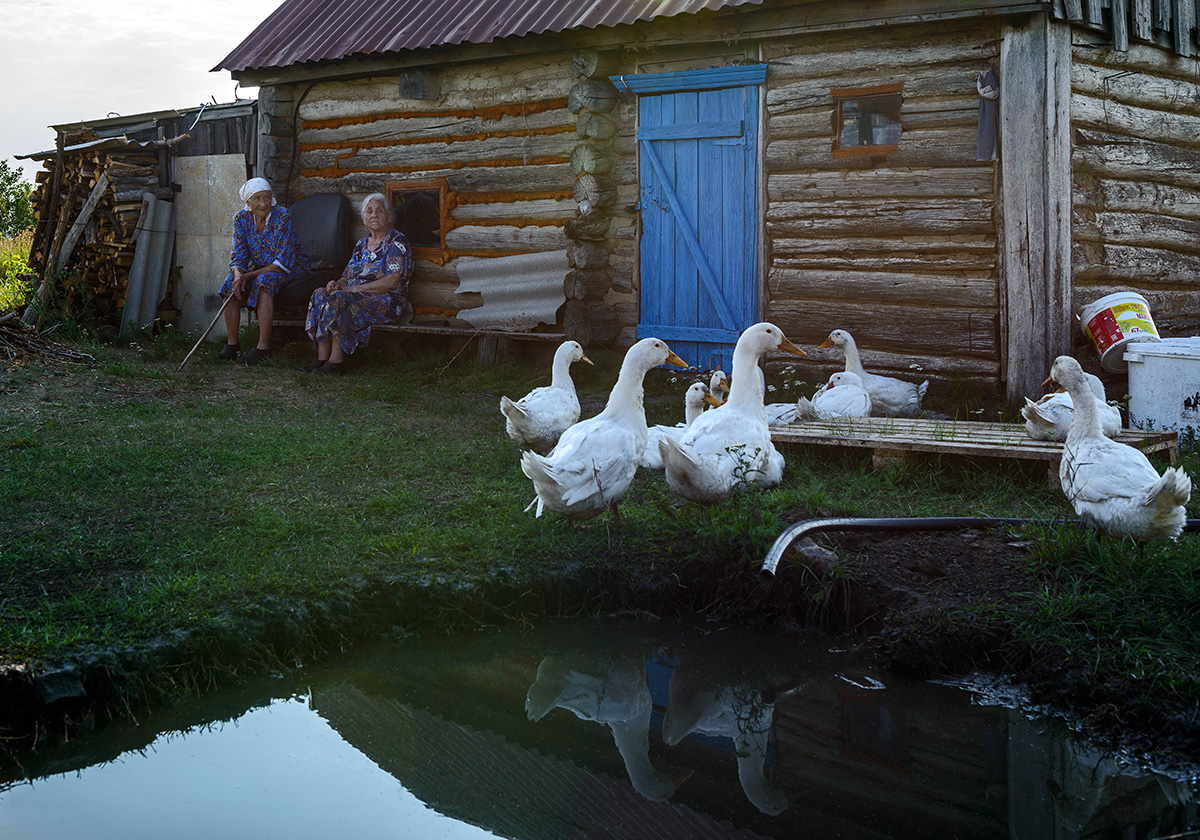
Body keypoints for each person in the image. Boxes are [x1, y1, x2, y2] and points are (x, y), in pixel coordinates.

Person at [302, 193, 413, 374]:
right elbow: (347, 275)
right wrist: (336, 283)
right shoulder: (361, 244)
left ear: (389, 216)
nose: (374, 215)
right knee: (320, 294)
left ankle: (337, 360)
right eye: (369, 211)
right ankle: (322, 357)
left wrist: (353, 289)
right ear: (363, 219)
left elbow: (392, 281)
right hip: (353, 295)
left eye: (379, 210)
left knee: (340, 298)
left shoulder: (396, 240)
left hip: (385, 301)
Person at [216, 178, 311, 364]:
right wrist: (237, 274)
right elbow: (239, 254)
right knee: (229, 284)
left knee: (263, 282)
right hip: (261, 268)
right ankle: (232, 345)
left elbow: (282, 262)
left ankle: (263, 347)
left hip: (291, 267)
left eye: (267, 198)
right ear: (248, 202)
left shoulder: (282, 216)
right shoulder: (241, 219)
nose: (263, 203)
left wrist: (248, 275)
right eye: (257, 199)